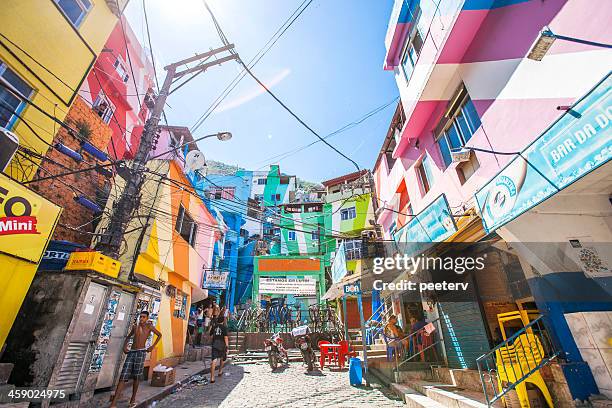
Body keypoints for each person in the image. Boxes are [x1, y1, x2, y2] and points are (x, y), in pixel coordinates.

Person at [111, 311, 161, 408]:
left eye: (143, 317)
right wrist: (125, 347)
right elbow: (128, 337)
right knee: (123, 376)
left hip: (141, 352)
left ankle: (132, 400)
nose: (141, 319)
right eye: (140, 317)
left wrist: (152, 346)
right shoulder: (135, 327)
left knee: (136, 377)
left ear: (147, 318)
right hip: (131, 352)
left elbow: (159, 335)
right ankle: (113, 404)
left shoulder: (149, 327)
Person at [209, 315, 228, 383]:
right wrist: (227, 346)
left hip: (215, 344)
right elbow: (225, 337)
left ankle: (212, 377)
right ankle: (220, 371)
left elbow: (210, 335)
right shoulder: (224, 327)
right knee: (222, 358)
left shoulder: (214, 326)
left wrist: (214, 339)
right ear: (223, 321)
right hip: (222, 344)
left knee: (214, 360)